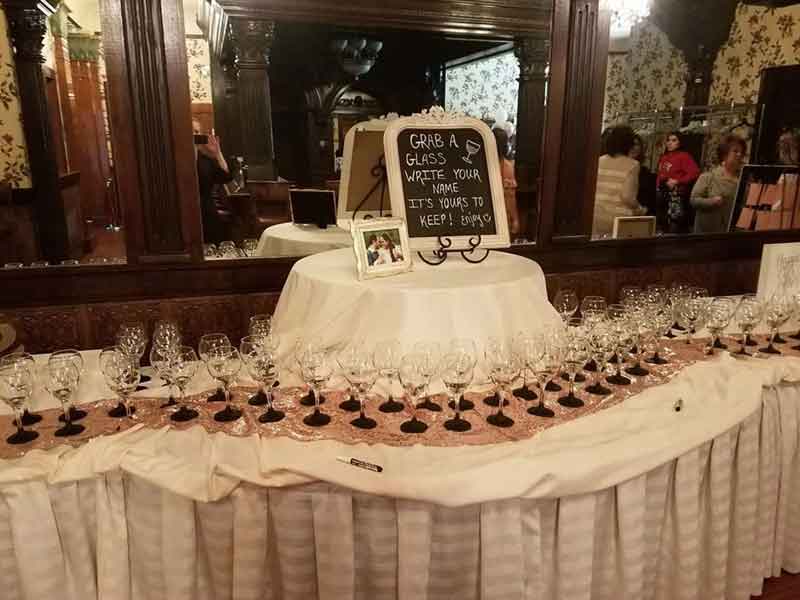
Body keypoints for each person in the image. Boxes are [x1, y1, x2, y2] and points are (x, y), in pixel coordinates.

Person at [592, 125, 646, 237]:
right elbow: (627, 197)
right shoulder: (632, 164)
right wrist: (639, 209)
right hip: (618, 218)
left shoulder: (599, 160)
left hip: (595, 214)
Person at [690, 134, 746, 234]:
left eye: (742, 152)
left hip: (730, 236)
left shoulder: (742, 181)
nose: (739, 155)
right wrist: (712, 201)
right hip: (706, 236)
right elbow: (694, 200)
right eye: (735, 151)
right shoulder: (708, 177)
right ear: (724, 155)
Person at [193, 119, 233, 244]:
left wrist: (217, 153)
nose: (195, 135)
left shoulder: (206, 160)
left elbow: (225, 176)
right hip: (185, 213)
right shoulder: (175, 159)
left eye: (197, 131)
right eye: (191, 131)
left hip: (207, 212)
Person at [656, 131, 700, 233]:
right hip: (662, 195)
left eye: (674, 140)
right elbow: (660, 174)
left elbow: (695, 173)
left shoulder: (684, 156)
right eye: (668, 140)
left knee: (674, 224)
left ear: (680, 142)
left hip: (676, 196)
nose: (670, 143)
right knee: (662, 224)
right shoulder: (664, 157)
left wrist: (678, 181)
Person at [492, 127, 520, 237]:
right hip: (501, 217)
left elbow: (510, 195)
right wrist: (515, 219)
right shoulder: (507, 166)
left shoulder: (477, 166)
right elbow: (510, 196)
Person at [630, 134, 657, 216]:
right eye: (630, 144)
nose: (633, 147)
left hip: (639, 216)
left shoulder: (646, 173)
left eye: (636, 144)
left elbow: (651, 202)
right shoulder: (619, 169)